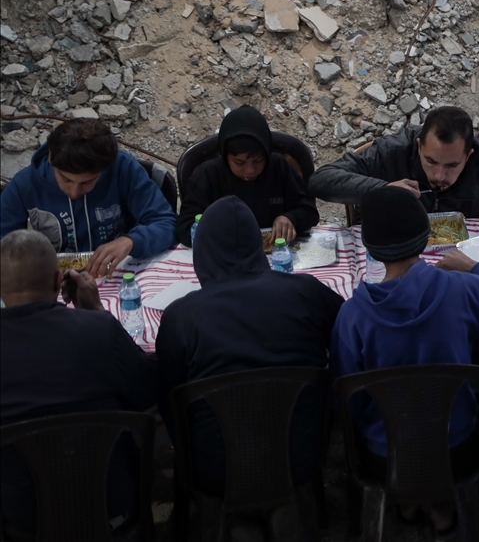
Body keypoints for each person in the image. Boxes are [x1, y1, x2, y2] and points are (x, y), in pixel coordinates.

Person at [331, 186, 479, 534]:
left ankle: (410, 500)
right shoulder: (461, 289)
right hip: (457, 446)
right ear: (425, 237)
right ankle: (441, 506)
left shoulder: (352, 315)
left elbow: (349, 400)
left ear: (370, 249)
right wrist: (478, 269)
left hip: (384, 455)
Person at [156, 196, 342, 513]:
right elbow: (345, 344)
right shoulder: (304, 292)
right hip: (299, 457)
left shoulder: (181, 316)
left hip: (218, 468)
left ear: (202, 251)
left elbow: (169, 399)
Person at [1, 229, 158, 537]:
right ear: (58, 282)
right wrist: (96, 311)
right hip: (111, 504)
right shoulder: (98, 332)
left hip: (24, 519)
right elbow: (148, 392)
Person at [0, 118, 177, 277]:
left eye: (88, 182)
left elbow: (166, 222)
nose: (75, 192)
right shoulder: (25, 183)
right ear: (50, 158)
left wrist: (131, 241)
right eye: (66, 179)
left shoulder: (123, 168)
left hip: (118, 273)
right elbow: (4, 245)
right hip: (54, 281)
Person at [309, 106, 479, 218]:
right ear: (419, 146)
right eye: (431, 161)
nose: (439, 176)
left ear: (468, 156)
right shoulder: (391, 152)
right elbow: (320, 180)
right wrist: (383, 189)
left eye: (452, 165)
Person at [176, 105, 319, 246]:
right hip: (227, 257)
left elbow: (309, 212)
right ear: (226, 157)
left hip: (278, 253)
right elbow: (185, 229)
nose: (250, 170)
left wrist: (290, 218)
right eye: (239, 163)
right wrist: (219, 232)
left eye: (258, 161)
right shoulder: (207, 175)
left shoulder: (278, 167)